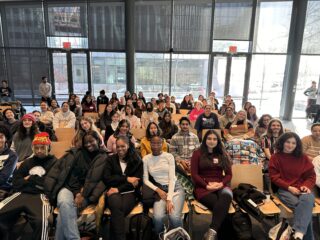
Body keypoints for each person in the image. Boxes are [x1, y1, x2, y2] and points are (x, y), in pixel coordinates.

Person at [44, 130, 108, 240]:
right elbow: (62, 173)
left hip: (88, 194)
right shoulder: (76, 154)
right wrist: (77, 193)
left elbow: (100, 181)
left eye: (91, 141)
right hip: (68, 188)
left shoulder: (104, 157)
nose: (88, 144)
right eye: (86, 142)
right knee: (64, 203)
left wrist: (84, 195)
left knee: (63, 214)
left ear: (97, 140)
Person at [0, 132, 56, 240]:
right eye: (36, 148)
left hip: (41, 196)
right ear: (33, 148)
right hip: (20, 194)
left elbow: (49, 184)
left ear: (48, 147)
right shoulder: (27, 162)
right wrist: (35, 182)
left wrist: (29, 179)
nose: (39, 151)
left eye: (42, 148)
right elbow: (16, 182)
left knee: (42, 221)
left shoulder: (55, 162)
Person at [269, 132, 316, 240]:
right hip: (285, 189)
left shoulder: (303, 157)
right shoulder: (275, 158)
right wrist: (289, 187)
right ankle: (304, 236)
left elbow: (311, 176)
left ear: (297, 145)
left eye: (293, 143)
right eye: (288, 142)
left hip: (303, 189)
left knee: (306, 202)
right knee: (303, 208)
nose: (290, 145)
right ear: (282, 142)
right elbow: (274, 178)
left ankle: (298, 233)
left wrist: (306, 186)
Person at [191, 130, 232, 240]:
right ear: (205, 140)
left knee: (227, 195)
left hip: (220, 184)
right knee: (222, 209)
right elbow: (194, 174)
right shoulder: (197, 153)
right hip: (203, 187)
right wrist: (206, 186)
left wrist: (221, 184)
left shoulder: (223, 153)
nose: (212, 141)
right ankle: (224, 236)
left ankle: (212, 231)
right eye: (209, 138)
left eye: (214, 139)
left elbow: (229, 175)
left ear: (218, 141)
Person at [143, 135, 185, 234]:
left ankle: (179, 235)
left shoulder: (169, 156)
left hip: (175, 187)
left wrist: (169, 199)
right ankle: (161, 235)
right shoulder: (146, 159)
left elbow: (171, 178)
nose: (156, 146)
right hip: (160, 189)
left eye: (159, 143)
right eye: (153, 143)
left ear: (163, 144)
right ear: (150, 144)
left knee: (173, 216)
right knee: (157, 217)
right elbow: (145, 180)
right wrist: (158, 190)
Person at [103, 136, 143, 240]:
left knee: (117, 212)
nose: (120, 149)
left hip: (130, 192)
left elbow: (136, 182)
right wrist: (126, 178)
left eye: (123, 146)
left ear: (128, 146)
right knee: (117, 207)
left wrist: (118, 189)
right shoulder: (110, 159)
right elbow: (107, 178)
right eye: (118, 146)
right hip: (112, 192)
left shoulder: (136, 160)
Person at [0, 125, 18, 195]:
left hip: (4, 189)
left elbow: (3, 178)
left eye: (1, 137)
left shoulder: (12, 155)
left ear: (6, 139)